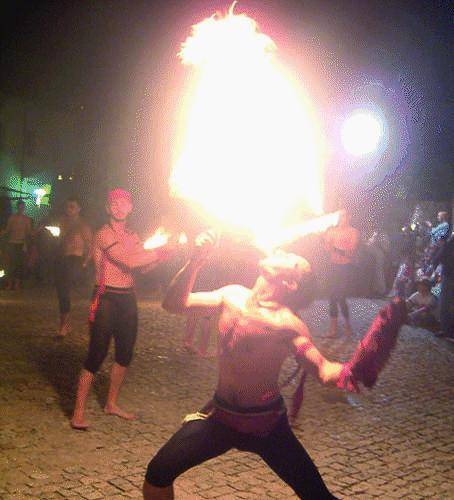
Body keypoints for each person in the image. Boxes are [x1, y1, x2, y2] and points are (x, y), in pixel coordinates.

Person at [143, 232, 407, 499]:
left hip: (265, 426)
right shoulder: (231, 295)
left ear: (290, 282)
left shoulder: (286, 325)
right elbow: (175, 304)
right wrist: (196, 260)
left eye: (291, 260)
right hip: (220, 417)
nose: (281, 251)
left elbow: (324, 371)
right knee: (157, 474)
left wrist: (361, 363)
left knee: (318, 497)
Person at [71, 189, 176, 430]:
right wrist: (158, 252)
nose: (119, 207)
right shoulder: (103, 234)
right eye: (114, 204)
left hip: (127, 299)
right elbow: (128, 260)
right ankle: (78, 412)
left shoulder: (132, 235)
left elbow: (142, 268)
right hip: (106, 298)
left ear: (130, 208)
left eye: (124, 204)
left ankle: (111, 404)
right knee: (96, 355)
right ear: (108, 208)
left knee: (125, 354)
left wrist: (163, 256)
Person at [54, 198, 93, 337]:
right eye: (67, 207)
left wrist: (84, 263)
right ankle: (64, 324)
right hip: (63, 260)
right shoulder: (62, 223)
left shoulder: (83, 225)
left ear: (78, 209)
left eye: (72, 207)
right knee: (62, 292)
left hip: (76, 259)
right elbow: (59, 242)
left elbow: (90, 246)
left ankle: (89, 321)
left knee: (71, 290)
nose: (69, 209)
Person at [324, 209, 359, 337]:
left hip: (345, 268)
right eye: (340, 216)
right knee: (332, 297)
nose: (341, 218)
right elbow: (327, 249)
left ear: (349, 217)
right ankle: (333, 328)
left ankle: (347, 325)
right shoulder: (332, 231)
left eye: (344, 216)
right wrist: (327, 241)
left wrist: (335, 248)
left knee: (341, 296)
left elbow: (350, 253)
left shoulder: (353, 232)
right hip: (333, 266)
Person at [0, 200, 32, 290]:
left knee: (19, 264)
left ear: (24, 208)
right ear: (17, 207)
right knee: (11, 264)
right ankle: (10, 283)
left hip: (21, 244)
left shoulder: (27, 219)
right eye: (20, 207)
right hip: (12, 243)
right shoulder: (12, 218)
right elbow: (7, 230)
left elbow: (29, 233)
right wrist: (2, 233)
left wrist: (39, 230)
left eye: (22, 207)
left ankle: (17, 284)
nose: (21, 208)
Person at [432, 235, 454, 342]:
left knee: (445, 303)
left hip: (449, 275)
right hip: (448, 274)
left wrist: (434, 263)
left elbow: (441, 254)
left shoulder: (450, 241)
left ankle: (446, 330)